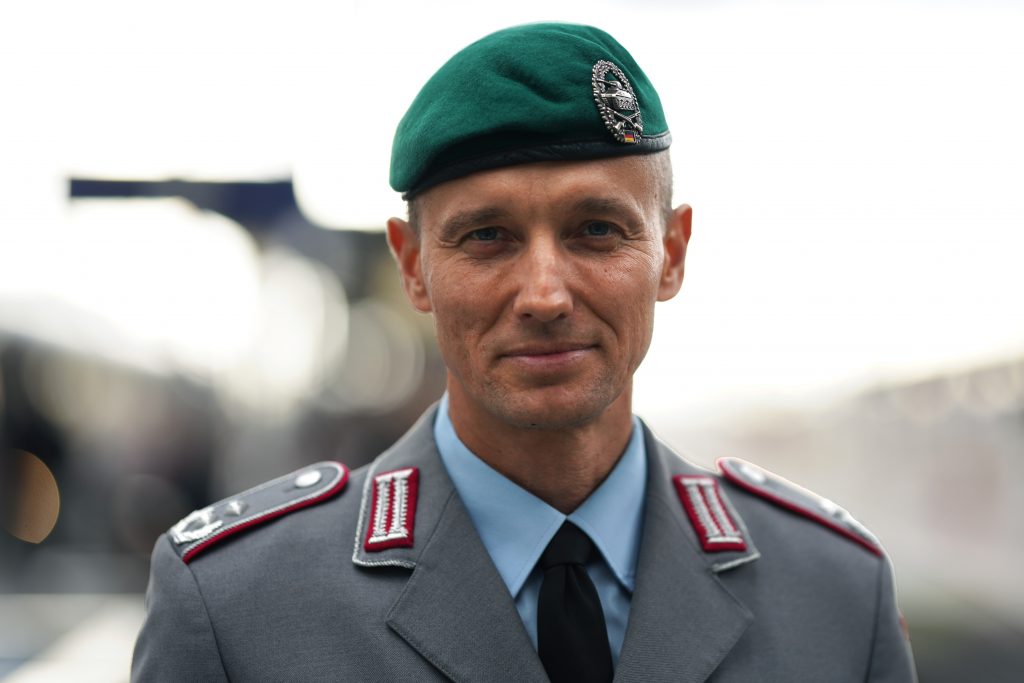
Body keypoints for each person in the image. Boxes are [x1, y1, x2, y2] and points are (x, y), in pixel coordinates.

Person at [132, 23, 917, 682]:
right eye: (487, 237)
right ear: (413, 267)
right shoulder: (234, 606)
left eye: (597, 230)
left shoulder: (837, 596)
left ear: (671, 254)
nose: (545, 295)